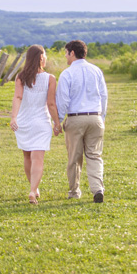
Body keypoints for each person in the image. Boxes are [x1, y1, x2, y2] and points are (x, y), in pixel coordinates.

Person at [55, 40, 108, 203]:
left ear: (72, 53)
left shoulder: (67, 73)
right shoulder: (96, 70)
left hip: (75, 118)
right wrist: (102, 117)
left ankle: (74, 191)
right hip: (95, 117)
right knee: (94, 155)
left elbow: (63, 99)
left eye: (66, 53)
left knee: (74, 157)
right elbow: (104, 95)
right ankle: (97, 188)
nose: (65, 56)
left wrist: (58, 120)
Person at [10, 45, 61, 205]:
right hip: (41, 123)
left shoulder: (20, 77)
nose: (46, 58)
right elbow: (51, 103)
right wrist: (57, 123)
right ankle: (33, 190)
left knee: (27, 156)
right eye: (45, 55)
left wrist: (14, 118)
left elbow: (17, 97)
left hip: (24, 122)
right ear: (41, 58)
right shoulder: (50, 78)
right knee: (38, 158)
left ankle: (34, 188)